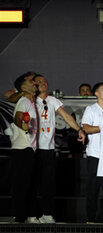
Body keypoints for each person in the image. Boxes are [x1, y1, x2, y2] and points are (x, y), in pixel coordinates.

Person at [33, 74, 85, 223]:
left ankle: (46, 213)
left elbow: (67, 117)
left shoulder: (52, 100)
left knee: (48, 183)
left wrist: (79, 130)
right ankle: (30, 214)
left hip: (48, 148)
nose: (43, 83)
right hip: (33, 148)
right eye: (39, 82)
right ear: (33, 85)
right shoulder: (30, 100)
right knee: (33, 182)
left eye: (45, 81)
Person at [10, 73, 39, 223]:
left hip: (30, 148)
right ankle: (19, 216)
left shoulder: (31, 102)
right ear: (23, 87)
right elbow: (17, 119)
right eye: (30, 81)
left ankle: (28, 214)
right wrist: (24, 127)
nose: (34, 83)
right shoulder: (23, 101)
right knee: (21, 184)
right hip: (22, 148)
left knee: (30, 183)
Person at [81, 82, 103, 222]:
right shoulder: (91, 109)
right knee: (93, 189)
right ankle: (91, 219)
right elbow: (86, 128)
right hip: (95, 154)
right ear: (96, 93)